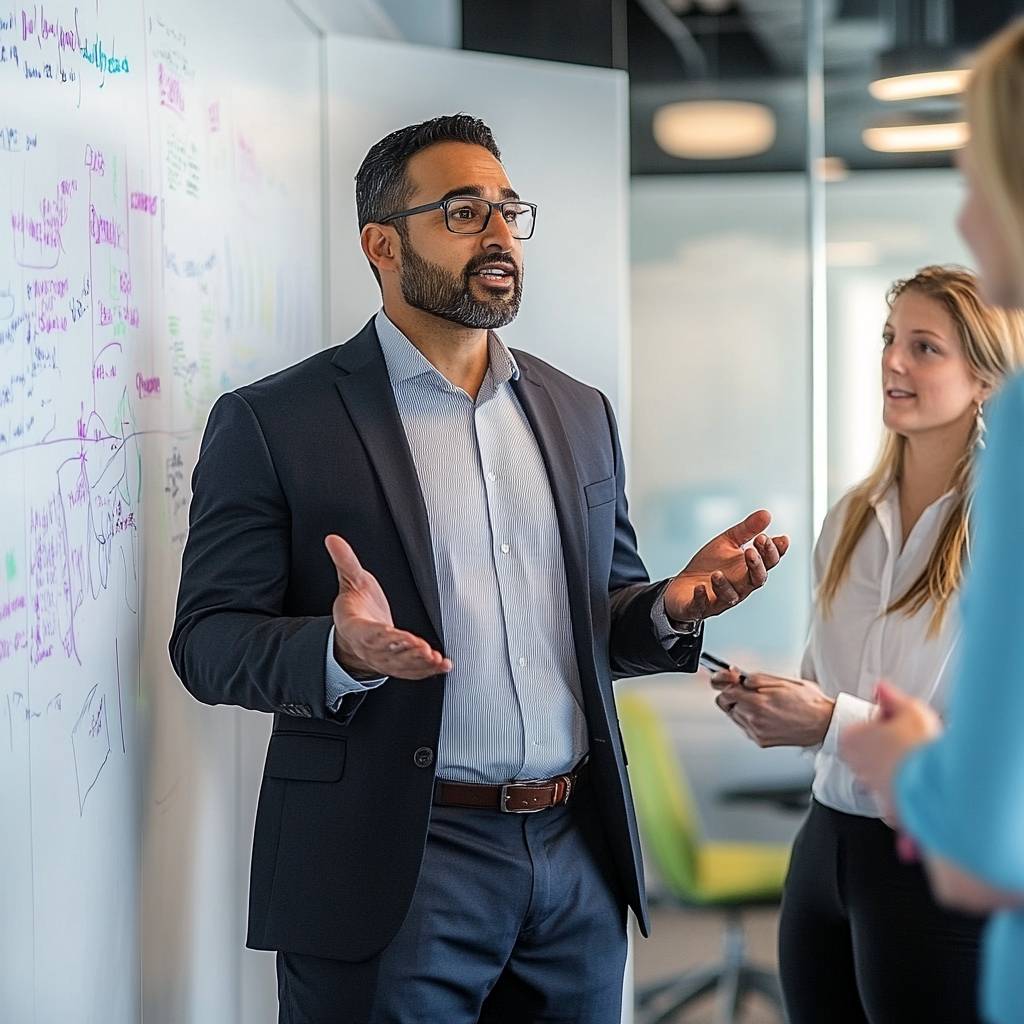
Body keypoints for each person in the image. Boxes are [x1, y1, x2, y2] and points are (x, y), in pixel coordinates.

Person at [169, 114, 789, 1024]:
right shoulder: (275, 422)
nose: (500, 236)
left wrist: (668, 607)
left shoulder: (577, 411)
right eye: (464, 212)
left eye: (508, 211)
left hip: (574, 854)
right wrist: (341, 653)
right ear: (383, 244)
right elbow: (208, 642)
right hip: (394, 861)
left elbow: (600, 620)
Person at [710, 265, 1024, 1022]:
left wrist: (827, 720)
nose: (892, 361)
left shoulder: (1003, 529)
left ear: (984, 378)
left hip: (929, 863)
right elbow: (825, 683)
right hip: (824, 849)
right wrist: (775, 707)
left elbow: (997, 750)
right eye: (889, 340)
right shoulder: (847, 517)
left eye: (924, 347)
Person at [840, 20, 1024, 1024]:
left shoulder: (1015, 465)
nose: (965, 217)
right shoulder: (845, 516)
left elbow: (982, 848)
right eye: (888, 341)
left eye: (977, 179)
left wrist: (905, 755)